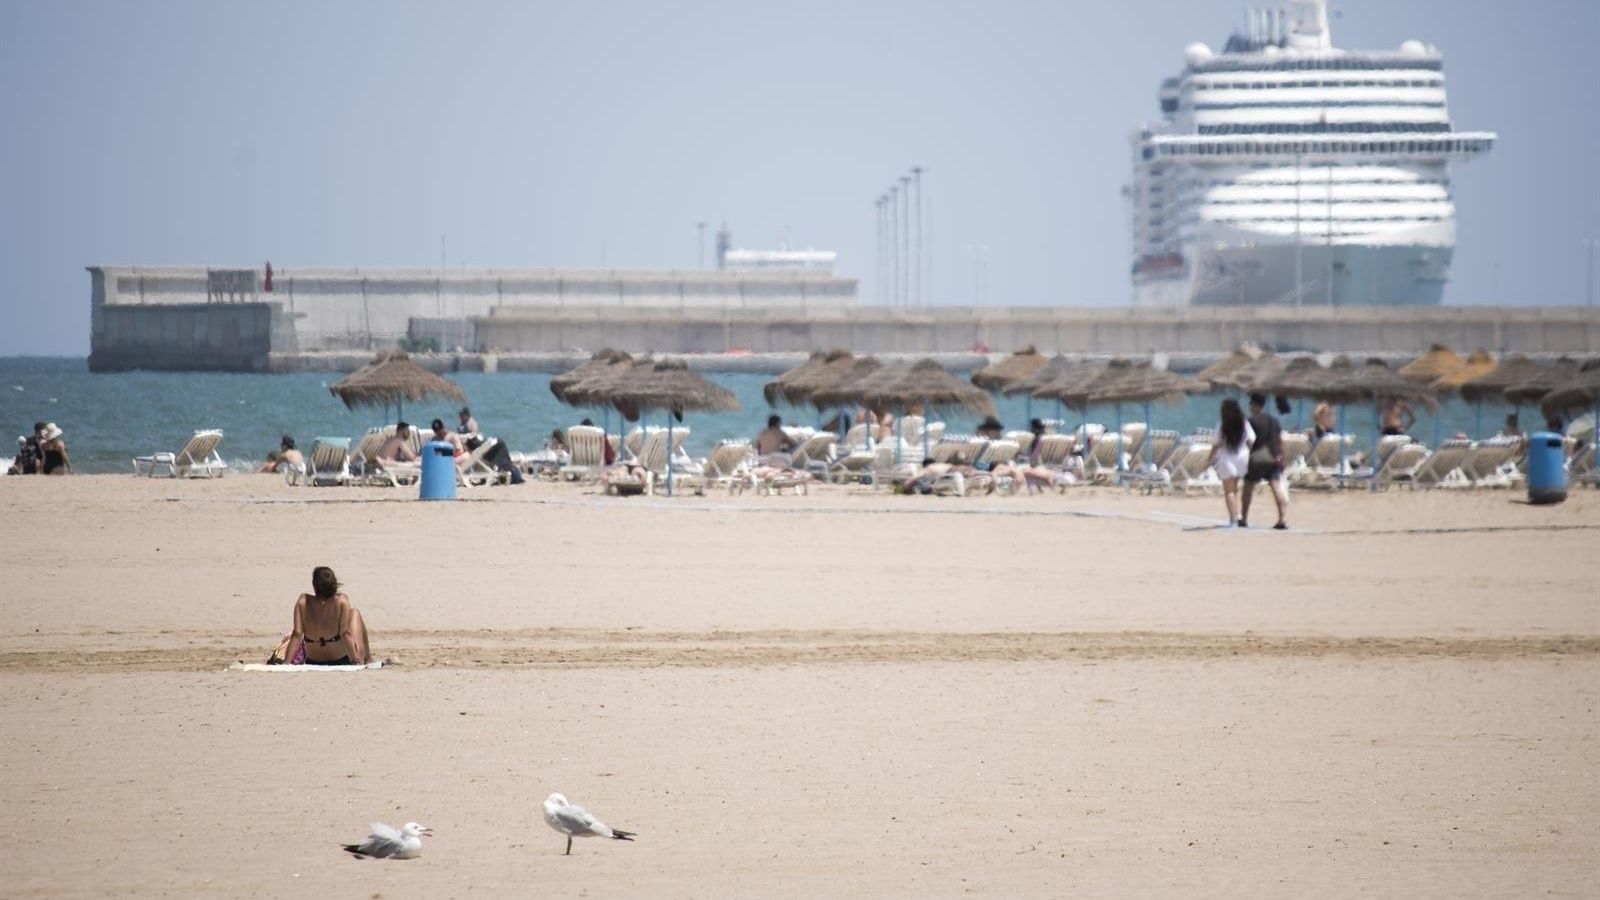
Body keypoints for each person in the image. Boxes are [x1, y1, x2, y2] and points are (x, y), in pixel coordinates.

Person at [285, 566, 371, 665]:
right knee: (354, 613)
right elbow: (345, 633)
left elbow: (297, 633)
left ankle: (368, 658)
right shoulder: (341, 601)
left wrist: (286, 663)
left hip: (314, 661)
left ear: (314, 585)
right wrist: (355, 661)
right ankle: (368, 658)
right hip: (341, 659)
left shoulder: (303, 601)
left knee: (352, 613)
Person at [1240, 393, 1289, 530]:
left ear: (1255, 405)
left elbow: (1248, 441)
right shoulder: (1274, 421)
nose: (1250, 406)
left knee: (1248, 486)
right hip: (1274, 457)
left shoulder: (1251, 421)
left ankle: (1243, 518)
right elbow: (1280, 441)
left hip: (1258, 457)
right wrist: (1282, 458)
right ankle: (1282, 518)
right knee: (1276, 486)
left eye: (1251, 403)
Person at [1205, 398, 1255, 527]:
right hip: (1243, 458)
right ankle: (1238, 514)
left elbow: (1216, 445)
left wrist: (1208, 460)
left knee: (1229, 491)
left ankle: (1233, 518)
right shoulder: (1244, 423)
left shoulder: (1222, 424)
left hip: (1227, 459)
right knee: (1235, 489)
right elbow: (1251, 441)